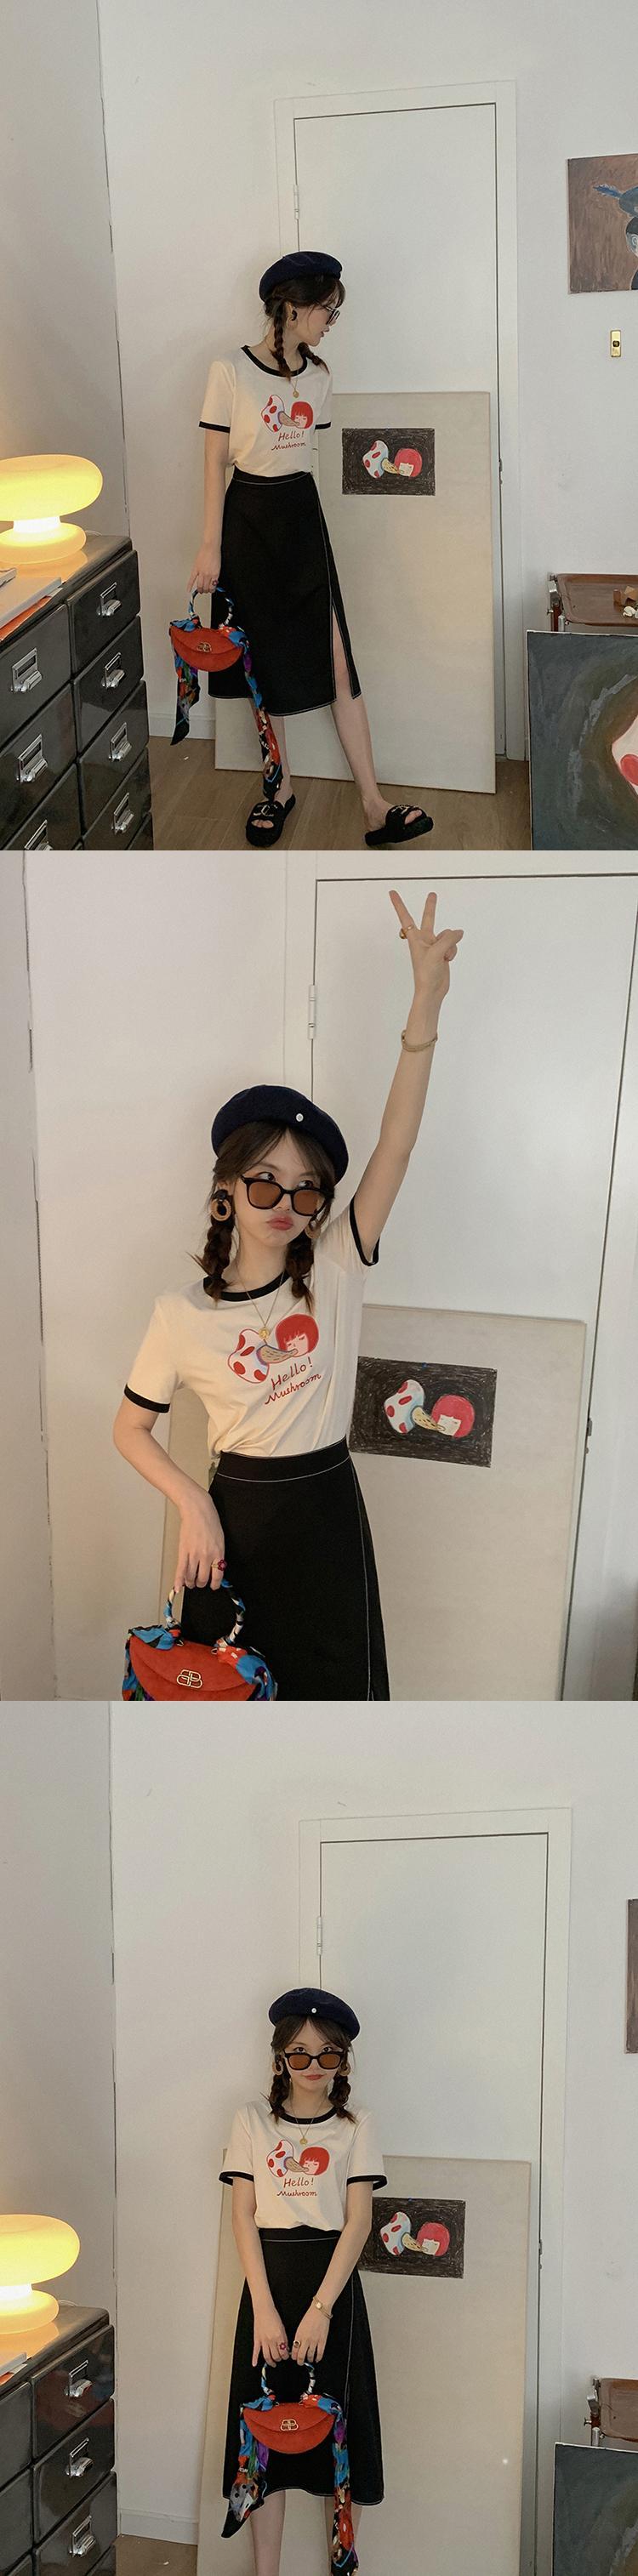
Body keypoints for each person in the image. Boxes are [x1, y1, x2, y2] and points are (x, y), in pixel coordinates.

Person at [113, 888, 463, 1699]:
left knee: (337, 1703)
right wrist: (192, 1502)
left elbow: (397, 1144)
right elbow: (130, 1428)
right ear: (226, 1190)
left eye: (307, 1189)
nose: (286, 1204)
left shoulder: (336, 1265)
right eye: (264, 1181)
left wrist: (425, 1003)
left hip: (327, 1514)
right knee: (224, 1705)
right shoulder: (180, 1313)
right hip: (231, 1525)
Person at [191, 249, 434, 851]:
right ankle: (280, 790)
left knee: (337, 660)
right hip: (248, 519)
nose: (330, 321)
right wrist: (209, 548)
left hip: (302, 517)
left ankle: (374, 805)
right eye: (326, 309)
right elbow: (214, 464)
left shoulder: (321, 377)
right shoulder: (229, 369)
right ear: (293, 307)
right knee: (261, 664)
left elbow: (303, 454)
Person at [219, 1985, 385, 2575]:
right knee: (262, 2437)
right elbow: (243, 2215)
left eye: (328, 2054)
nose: (313, 2066)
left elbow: (358, 2221)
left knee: (340, 2433)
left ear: (343, 2061)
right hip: (267, 2285)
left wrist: (320, 2310)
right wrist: (264, 2310)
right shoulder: (250, 2120)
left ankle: (342, 2564)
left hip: (331, 2291)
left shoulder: (357, 2125)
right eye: (299, 2053)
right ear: (279, 2058)